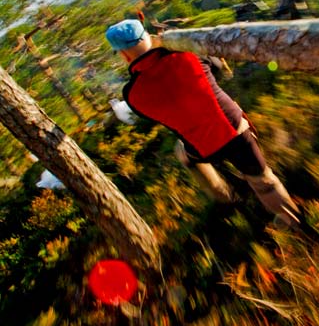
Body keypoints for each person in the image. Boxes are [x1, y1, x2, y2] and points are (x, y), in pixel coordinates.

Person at [105, 20, 300, 227]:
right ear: (148, 36)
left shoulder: (133, 94)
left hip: (204, 148)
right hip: (236, 130)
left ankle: (223, 195)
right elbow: (216, 69)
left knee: (183, 153)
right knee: (264, 181)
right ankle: (294, 222)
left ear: (124, 55)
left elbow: (154, 115)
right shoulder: (188, 54)